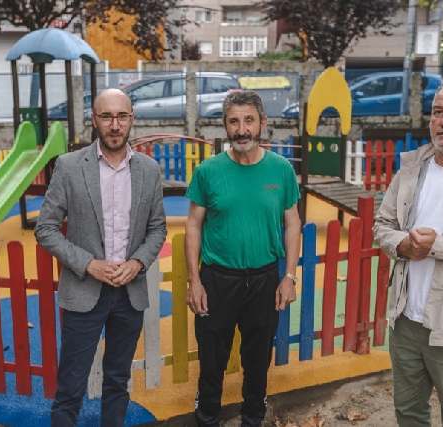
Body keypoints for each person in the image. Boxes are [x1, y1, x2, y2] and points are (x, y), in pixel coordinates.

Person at [35, 88, 167, 427]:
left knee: (118, 382)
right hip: (84, 292)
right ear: (94, 120)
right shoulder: (68, 166)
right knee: (70, 388)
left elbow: (157, 230)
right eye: (106, 116)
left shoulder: (149, 170)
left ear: (131, 120)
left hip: (129, 293)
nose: (114, 125)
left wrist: (137, 263)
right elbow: (45, 228)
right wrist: (88, 264)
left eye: (122, 116)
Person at [184, 90, 301, 427]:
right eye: (233, 121)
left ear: (262, 123)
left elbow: (292, 223)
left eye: (249, 120)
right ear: (225, 126)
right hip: (218, 279)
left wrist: (289, 276)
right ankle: (207, 417)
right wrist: (195, 280)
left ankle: (253, 418)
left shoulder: (281, 170)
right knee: (211, 360)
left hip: (265, 279)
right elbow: (193, 225)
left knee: (258, 358)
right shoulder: (208, 171)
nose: (241, 129)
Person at [373, 85, 443, 427]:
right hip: (405, 319)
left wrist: (433, 246)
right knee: (409, 413)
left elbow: (432, 245)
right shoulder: (412, 168)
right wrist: (403, 244)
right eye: (437, 112)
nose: (442, 122)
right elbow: (383, 224)